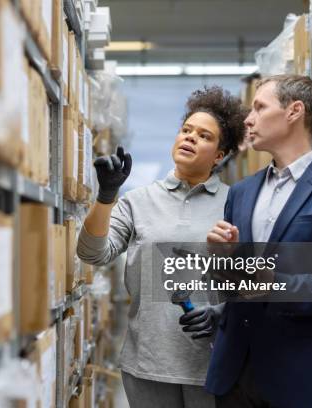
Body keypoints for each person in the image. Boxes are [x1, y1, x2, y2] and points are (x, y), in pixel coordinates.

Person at [183, 75, 312, 408]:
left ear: (294, 111)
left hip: (301, 377)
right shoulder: (242, 192)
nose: (248, 119)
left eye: (259, 107)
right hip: (235, 376)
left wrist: (274, 283)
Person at [77, 86, 247, 408]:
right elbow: (91, 253)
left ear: (220, 156)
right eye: (186, 130)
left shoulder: (236, 202)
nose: (190, 137)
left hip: (213, 364)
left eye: (204, 136)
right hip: (148, 365)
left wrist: (224, 311)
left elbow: (255, 280)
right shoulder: (138, 201)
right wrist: (105, 197)